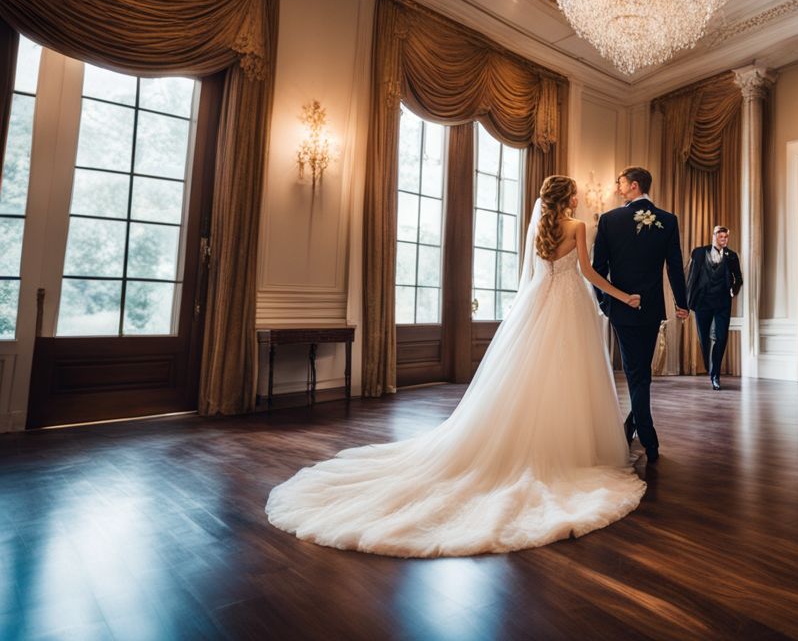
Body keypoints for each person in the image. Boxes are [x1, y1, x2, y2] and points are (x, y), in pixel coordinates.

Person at [266, 175, 646, 558]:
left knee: (531, 377)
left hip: (539, 304)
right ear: (569, 198)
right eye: (576, 192)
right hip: (569, 307)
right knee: (570, 378)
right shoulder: (578, 226)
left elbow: (532, 276)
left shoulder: (540, 230)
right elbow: (589, 273)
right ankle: (570, 451)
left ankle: (531, 443)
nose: (581, 197)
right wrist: (622, 297)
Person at [591, 166, 689, 464]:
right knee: (640, 372)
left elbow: (598, 269)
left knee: (637, 373)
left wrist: (605, 304)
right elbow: (674, 265)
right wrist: (681, 303)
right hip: (652, 308)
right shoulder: (668, 220)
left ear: (634, 186)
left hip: (621, 309)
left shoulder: (609, 220)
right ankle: (636, 428)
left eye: (620, 183)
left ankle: (646, 434)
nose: (618, 187)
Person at [686, 225, 742, 390]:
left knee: (721, 337)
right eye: (720, 235)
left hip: (722, 302)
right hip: (703, 302)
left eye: (725, 236)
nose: (723, 239)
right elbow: (691, 276)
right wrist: (687, 301)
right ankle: (711, 367)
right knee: (705, 340)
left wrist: (734, 289)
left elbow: (738, 278)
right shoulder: (698, 252)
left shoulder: (731, 256)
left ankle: (715, 375)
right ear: (713, 236)